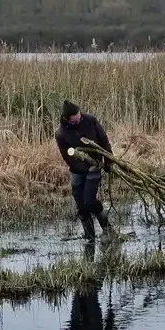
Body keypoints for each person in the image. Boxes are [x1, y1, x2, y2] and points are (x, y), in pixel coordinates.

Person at [55, 99, 113, 240]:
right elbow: (67, 156)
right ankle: (89, 237)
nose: (79, 119)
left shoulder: (90, 120)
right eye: (75, 119)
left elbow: (103, 139)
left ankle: (108, 230)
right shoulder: (61, 133)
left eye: (79, 116)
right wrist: (81, 166)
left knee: (90, 201)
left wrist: (108, 159)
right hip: (76, 170)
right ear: (67, 118)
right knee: (81, 206)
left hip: (95, 165)